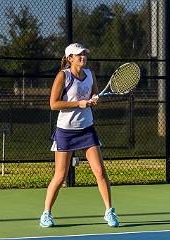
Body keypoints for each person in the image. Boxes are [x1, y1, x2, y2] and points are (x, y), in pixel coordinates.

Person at [39, 43, 120, 228]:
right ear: (70, 59)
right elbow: (53, 104)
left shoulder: (90, 74)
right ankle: (46, 214)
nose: (82, 56)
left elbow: (94, 94)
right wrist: (79, 104)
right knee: (60, 176)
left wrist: (94, 99)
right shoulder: (63, 76)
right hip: (65, 131)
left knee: (100, 171)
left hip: (87, 129)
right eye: (78, 54)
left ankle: (109, 212)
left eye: (84, 53)